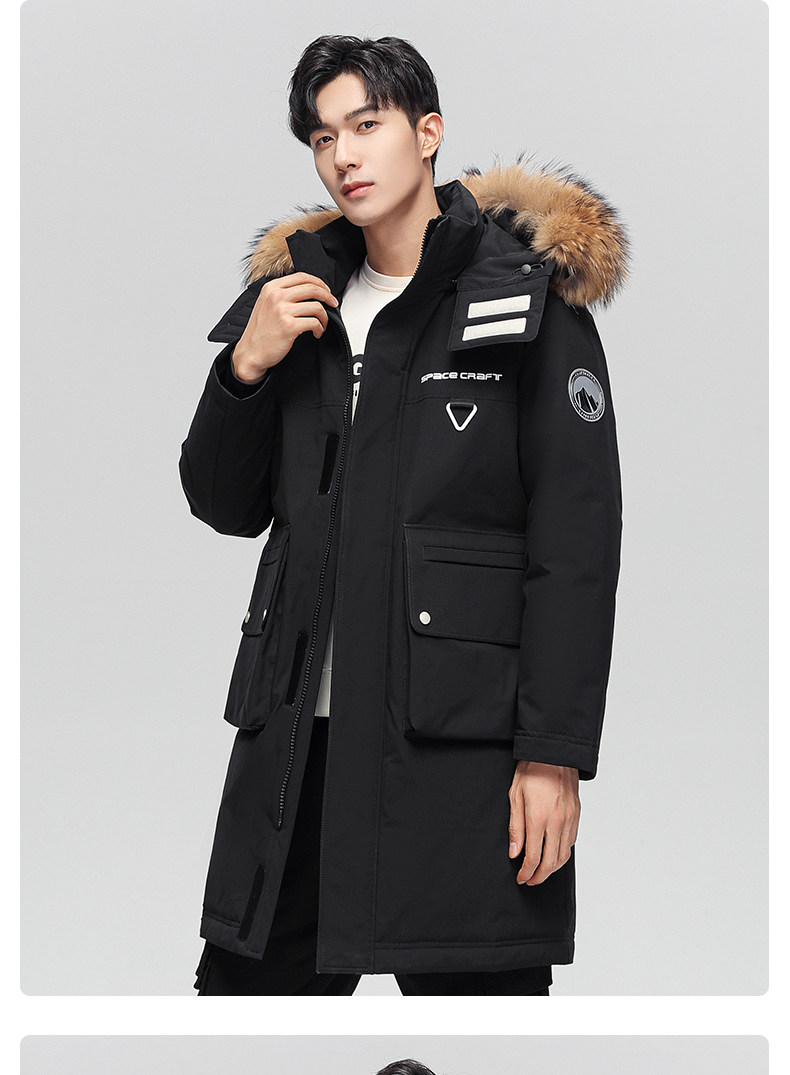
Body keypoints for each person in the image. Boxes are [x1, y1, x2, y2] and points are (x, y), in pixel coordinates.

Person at [181, 33, 628, 996]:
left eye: (366, 125)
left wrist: (552, 754)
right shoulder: (295, 301)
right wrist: (244, 366)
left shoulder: (525, 299)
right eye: (322, 137)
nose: (343, 155)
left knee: (479, 1035)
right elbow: (222, 503)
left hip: (457, 755)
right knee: (243, 1034)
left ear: (427, 133)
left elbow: (576, 545)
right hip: (297, 749)